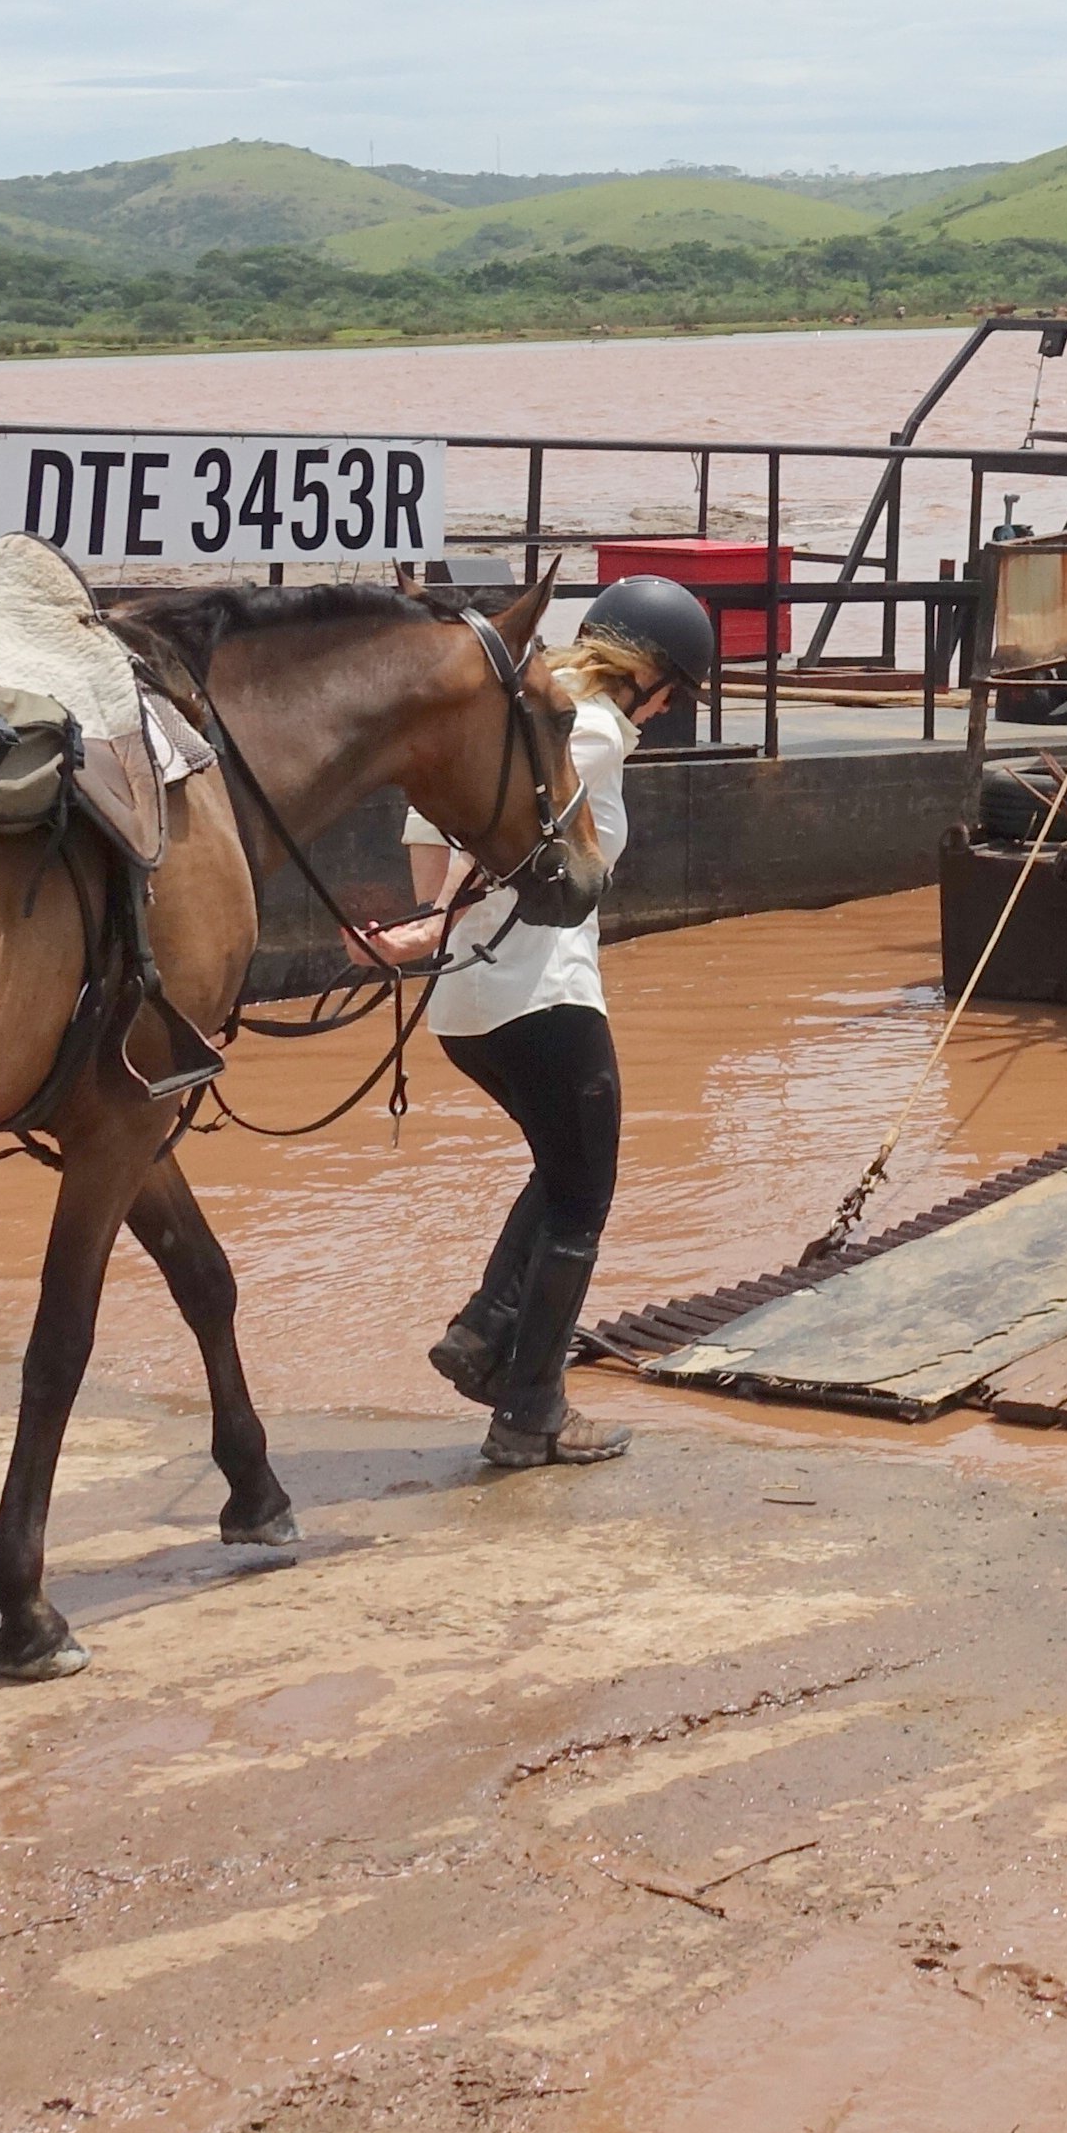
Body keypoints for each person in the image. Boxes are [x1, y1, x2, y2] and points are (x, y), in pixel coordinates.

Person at [343, 572, 719, 1469]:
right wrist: (436, 921)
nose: (669, 713)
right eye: (675, 694)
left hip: (470, 1005)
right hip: (541, 992)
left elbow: (433, 810)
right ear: (650, 676)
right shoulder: (586, 734)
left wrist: (430, 919)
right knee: (584, 1196)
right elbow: (501, 835)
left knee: (562, 1168)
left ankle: (484, 1334)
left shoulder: (533, 720)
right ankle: (530, 1415)